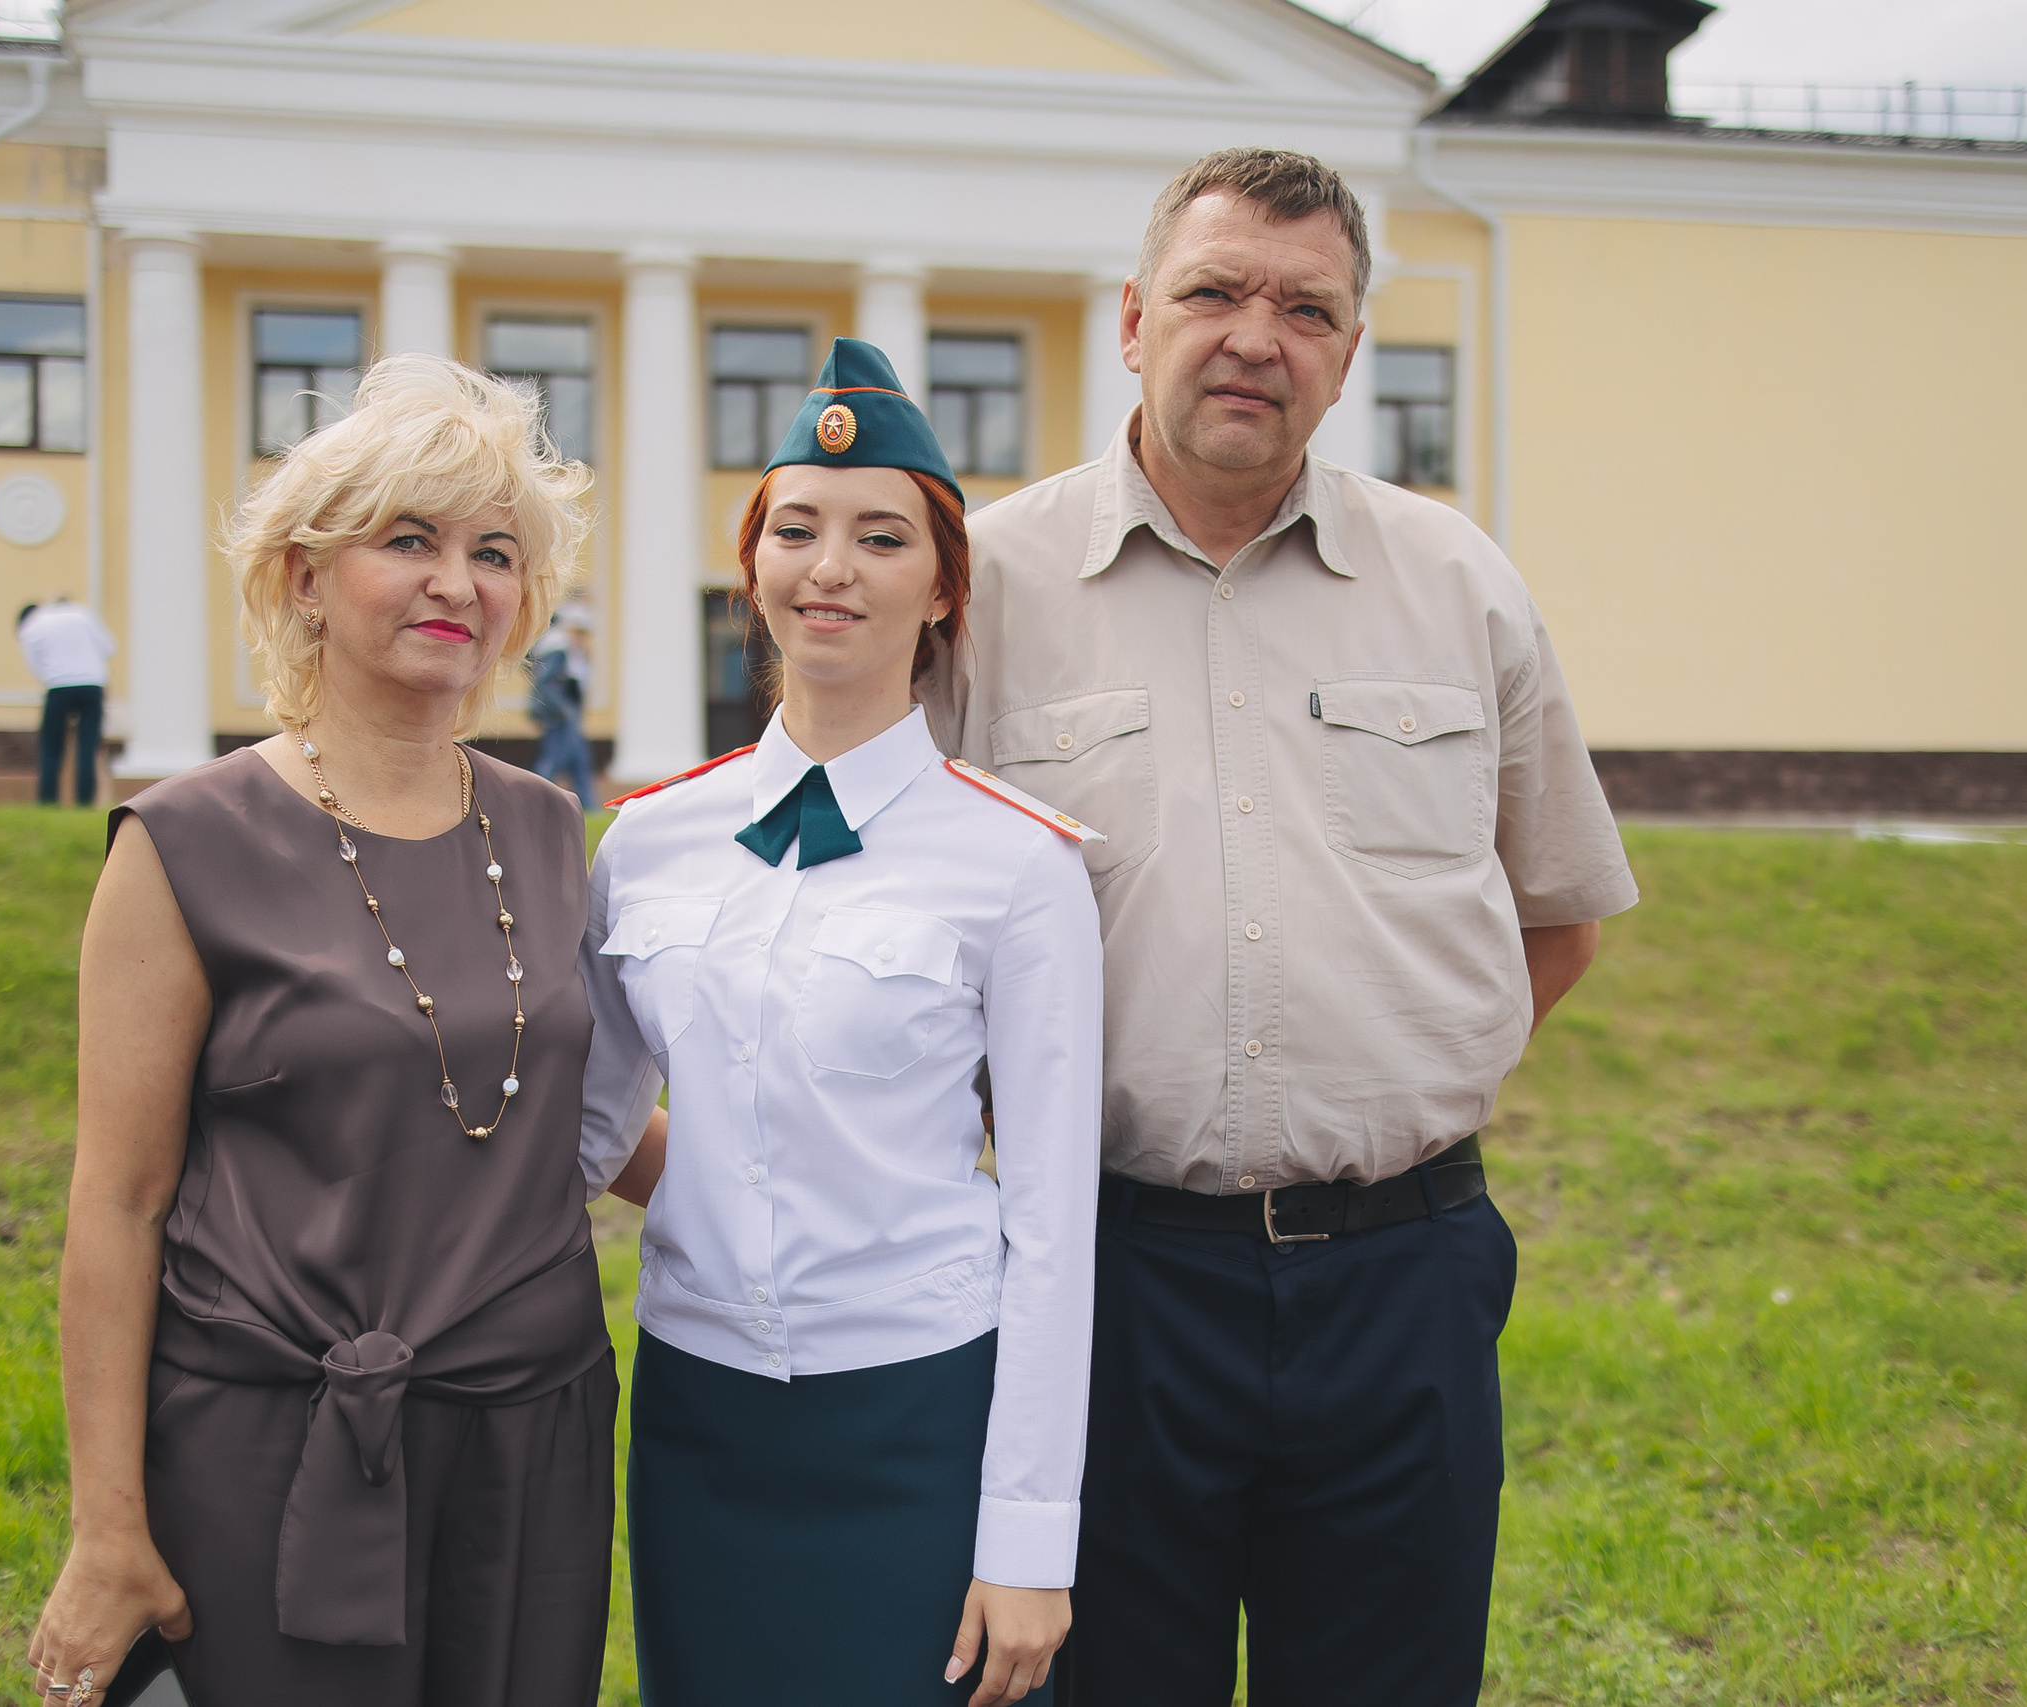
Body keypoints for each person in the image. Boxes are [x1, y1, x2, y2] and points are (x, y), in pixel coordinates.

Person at [932, 148, 1641, 1706]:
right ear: (1132, 319)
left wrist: (1392, 1080)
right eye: (1214, 290)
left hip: (1407, 1278)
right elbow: (900, 931)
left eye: (1305, 306)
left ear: (1347, 350)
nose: (1256, 333)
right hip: (1108, 1285)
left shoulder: (1460, 581)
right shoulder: (985, 587)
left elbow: (1560, 914)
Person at [25, 355, 655, 1707]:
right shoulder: (184, 842)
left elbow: (580, 1117)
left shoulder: (550, 827)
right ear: (305, 576)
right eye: (408, 539)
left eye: (494, 551)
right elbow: (118, 1202)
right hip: (268, 1437)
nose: (457, 582)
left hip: (528, 1428)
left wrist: (871, 1181)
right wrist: (107, 1523)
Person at [582, 339, 1103, 1707]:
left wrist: (1030, 1539)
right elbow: (583, 1118)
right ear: (751, 565)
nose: (833, 567)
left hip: (920, 1409)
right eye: (797, 529)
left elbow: (1054, 1225)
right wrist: (701, 1176)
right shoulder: (647, 840)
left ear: (942, 588)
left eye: (883, 536)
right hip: (701, 1409)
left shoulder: (1020, 863)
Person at [17, 595, 116, 807]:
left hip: (58, 686)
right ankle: (84, 803)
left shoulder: (30, 627)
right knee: (87, 747)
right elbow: (109, 648)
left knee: (51, 748)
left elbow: (36, 666)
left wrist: (55, 677)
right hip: (92, 684)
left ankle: (48, 801)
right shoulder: (83, 613)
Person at [529, 601, 597, 807]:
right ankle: (533, 801)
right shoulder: (558, 648)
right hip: (561, 714)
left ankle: (588, 805)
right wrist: (562, 710)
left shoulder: (567, 650)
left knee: (577, 760)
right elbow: (546, 683)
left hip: (566, 711)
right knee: (553, 761)